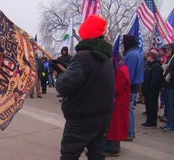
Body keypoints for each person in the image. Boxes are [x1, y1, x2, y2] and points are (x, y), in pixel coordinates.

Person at [56, 15, 114, 159]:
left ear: (85, 35)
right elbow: (88, 79)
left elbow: (63, 86)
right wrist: (67, 69)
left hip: (81, 119)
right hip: (102, 118)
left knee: (69, 155)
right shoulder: (106, 57)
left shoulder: (83, 57)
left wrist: (59, 74)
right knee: (97, 155)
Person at [122, 35, 144, 140]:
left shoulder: (131, 55)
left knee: (127, 109)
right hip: (135, 84)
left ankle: (129, 132)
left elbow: (128, 74)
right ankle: (130, 132)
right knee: (129, 109)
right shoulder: (137, 53)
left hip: (130, 86)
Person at [141, 49, 163, 128]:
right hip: (147, 88)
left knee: (152, 106)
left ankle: (152, 122)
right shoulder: (149, 65)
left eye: (148, 56)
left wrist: (150, 87)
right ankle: (148, 120)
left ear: (151, 57)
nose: (147, 57)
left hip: (152, 90)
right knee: (148, 106)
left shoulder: (156, 66)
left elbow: (155, 79)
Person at [160, 43, 174, 131]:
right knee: (168, 105)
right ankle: (168, 122)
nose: (167, 51)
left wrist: (171, 74)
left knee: (171, 105)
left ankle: (171, 124)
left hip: (172, 85)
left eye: (169, 49)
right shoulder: (169, 58)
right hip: (166, 84)